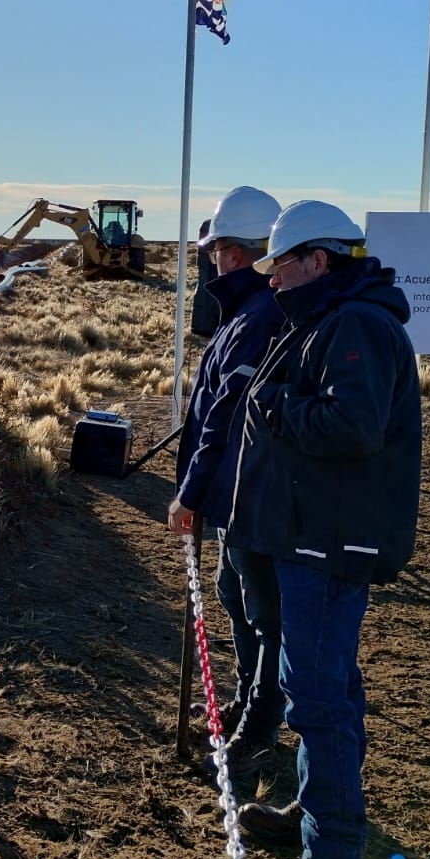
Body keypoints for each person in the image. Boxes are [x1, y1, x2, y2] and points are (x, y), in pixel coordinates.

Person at [224, 200, 422, 859]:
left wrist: (273, 403)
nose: (271, 279)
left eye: (281, 265)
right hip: (309, 539)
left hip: (329, 546)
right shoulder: (326, 320)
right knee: (325, 686)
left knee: (319, 700)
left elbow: (351, 425)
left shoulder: (355, 325)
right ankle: (313, 815)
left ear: (320, 260)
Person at [167, 186, 285, 776]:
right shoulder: (250, 313)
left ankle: (260, 729)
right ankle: (245, 704)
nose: (211, 261)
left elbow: (223, 417)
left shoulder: (258, 317)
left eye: (214, 252)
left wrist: (190, 493)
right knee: (236, 596)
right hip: (237, 494)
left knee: (265, 614)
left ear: (234, 254)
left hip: (251, 498)